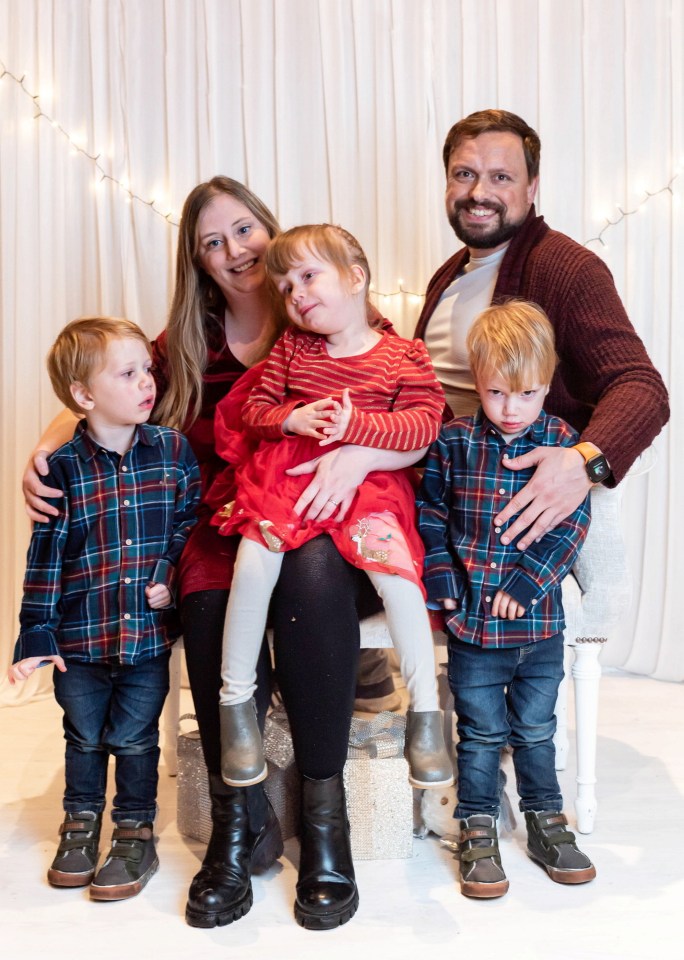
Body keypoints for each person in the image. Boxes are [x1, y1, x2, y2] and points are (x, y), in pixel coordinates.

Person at [21, 178, 426, 931]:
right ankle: (239, 820)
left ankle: (324, 813)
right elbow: (101, 382)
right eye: (212, 241)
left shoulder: (330, 309)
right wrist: (46, 448)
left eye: (243, 231)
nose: (233, 250)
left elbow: (407, 415)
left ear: (270, 234)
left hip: (330, 515)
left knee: (308, 575)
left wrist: (363, 460)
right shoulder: (184, 342)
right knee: (204, 593)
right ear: (198, 262)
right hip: (226, 512)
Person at [415, 107, 669, 668]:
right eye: (464, 174)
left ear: (532, 186)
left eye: (500, 177)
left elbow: (641, 386)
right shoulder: (449, 274)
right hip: (437, 487)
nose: (479, 192)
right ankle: (361, 698)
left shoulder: (566, 268)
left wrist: (584, 462)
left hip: (498, 507)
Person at [213, 223, 453, 792]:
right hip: (287, 479)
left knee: (396, 579)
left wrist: (357, 429)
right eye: (286, 287)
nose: (296, 294)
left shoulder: (402, 355)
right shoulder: (293, 348)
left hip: (368, 486)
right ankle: (236, 709)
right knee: (254, 565)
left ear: (356, 277)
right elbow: (256, 410)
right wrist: (289, 419)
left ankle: (424, 717)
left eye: (308, 276)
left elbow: (425, 422)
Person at [9, 316, 201, 901]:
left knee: (137, 739)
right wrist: (35, 633)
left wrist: (167, 574)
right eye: (129, 373)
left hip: (144, 636)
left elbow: (186, 526)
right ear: (84, 396)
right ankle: (80, 823)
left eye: (147, 369)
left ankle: (134, 829)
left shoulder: (171, 451)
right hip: (81, 639)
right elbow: (44, 558)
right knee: (85, 736)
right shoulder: (63, 469)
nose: (148, 382)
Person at [417, 301, 595, 898]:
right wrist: (441, 580)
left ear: (547, 383)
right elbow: (433, 514)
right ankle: (477, 826)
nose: (511, 408)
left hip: (540, 628)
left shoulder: (564, 443)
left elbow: (571, 526)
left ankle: (547, 821)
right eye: (497, 393)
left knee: (537, 731)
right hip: (473, 630)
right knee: (481, 734)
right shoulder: (455, 443)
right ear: (476, 378)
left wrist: (527, 583)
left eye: (527, 393)